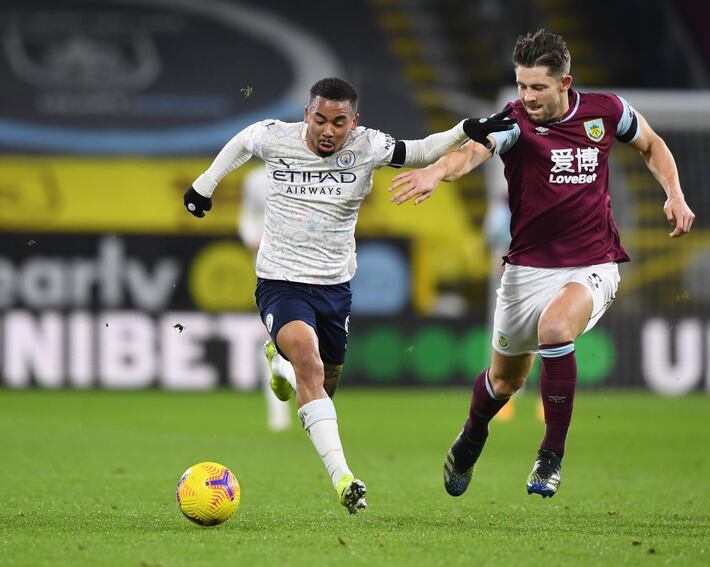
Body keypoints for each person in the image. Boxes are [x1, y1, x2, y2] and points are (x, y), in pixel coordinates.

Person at [389, 29, 695, 499]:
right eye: (521, 86)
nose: (526, 97)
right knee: (504, 382)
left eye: (537, 88)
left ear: (565, 83)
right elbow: (473, 151)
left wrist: (673, 193)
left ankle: (550, 456)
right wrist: (434, 170)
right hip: (526, 270)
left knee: (556, 329)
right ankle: (472, 435)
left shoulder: (606, 112)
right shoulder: (514, 121)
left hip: (593, 263)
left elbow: (651, 145)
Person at [183, 77, 504, 513]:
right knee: (309, 362)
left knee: (322, 385)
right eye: (319, 120)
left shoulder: (369, 147)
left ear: (355, 122)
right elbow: (242, 141)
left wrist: (467, 127)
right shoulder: (277, 137)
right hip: (281, 281)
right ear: (306, 116)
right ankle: (345, 479)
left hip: (334, 289)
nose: (327, 131)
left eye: (338, 122)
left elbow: (424, 151)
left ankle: (278, 363)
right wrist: (204, 185)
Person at [238, 166, 292, 432]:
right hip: (269, 266)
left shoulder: (309, 170)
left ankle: (287, 377)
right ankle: (278, 413)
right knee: (275, 335)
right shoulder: (255, 180)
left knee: (301, 338)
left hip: (306, 260)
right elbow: (247, 217)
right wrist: (253, 240)